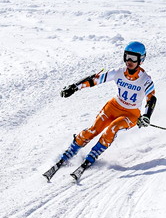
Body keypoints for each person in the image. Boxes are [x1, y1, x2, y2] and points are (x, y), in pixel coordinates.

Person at [44, 41, 156, 182]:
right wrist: (74, 87)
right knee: (93, 130)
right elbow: (94, 80)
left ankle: (92, 156)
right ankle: (70, 151)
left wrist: (146, 115)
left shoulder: (145, 79)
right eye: (127, 56)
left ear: (141, 59)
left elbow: (151, 98)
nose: (129, 61)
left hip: (131, 114)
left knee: (112, 129)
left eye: (134, 58)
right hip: (113, 107)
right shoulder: (118, 72)